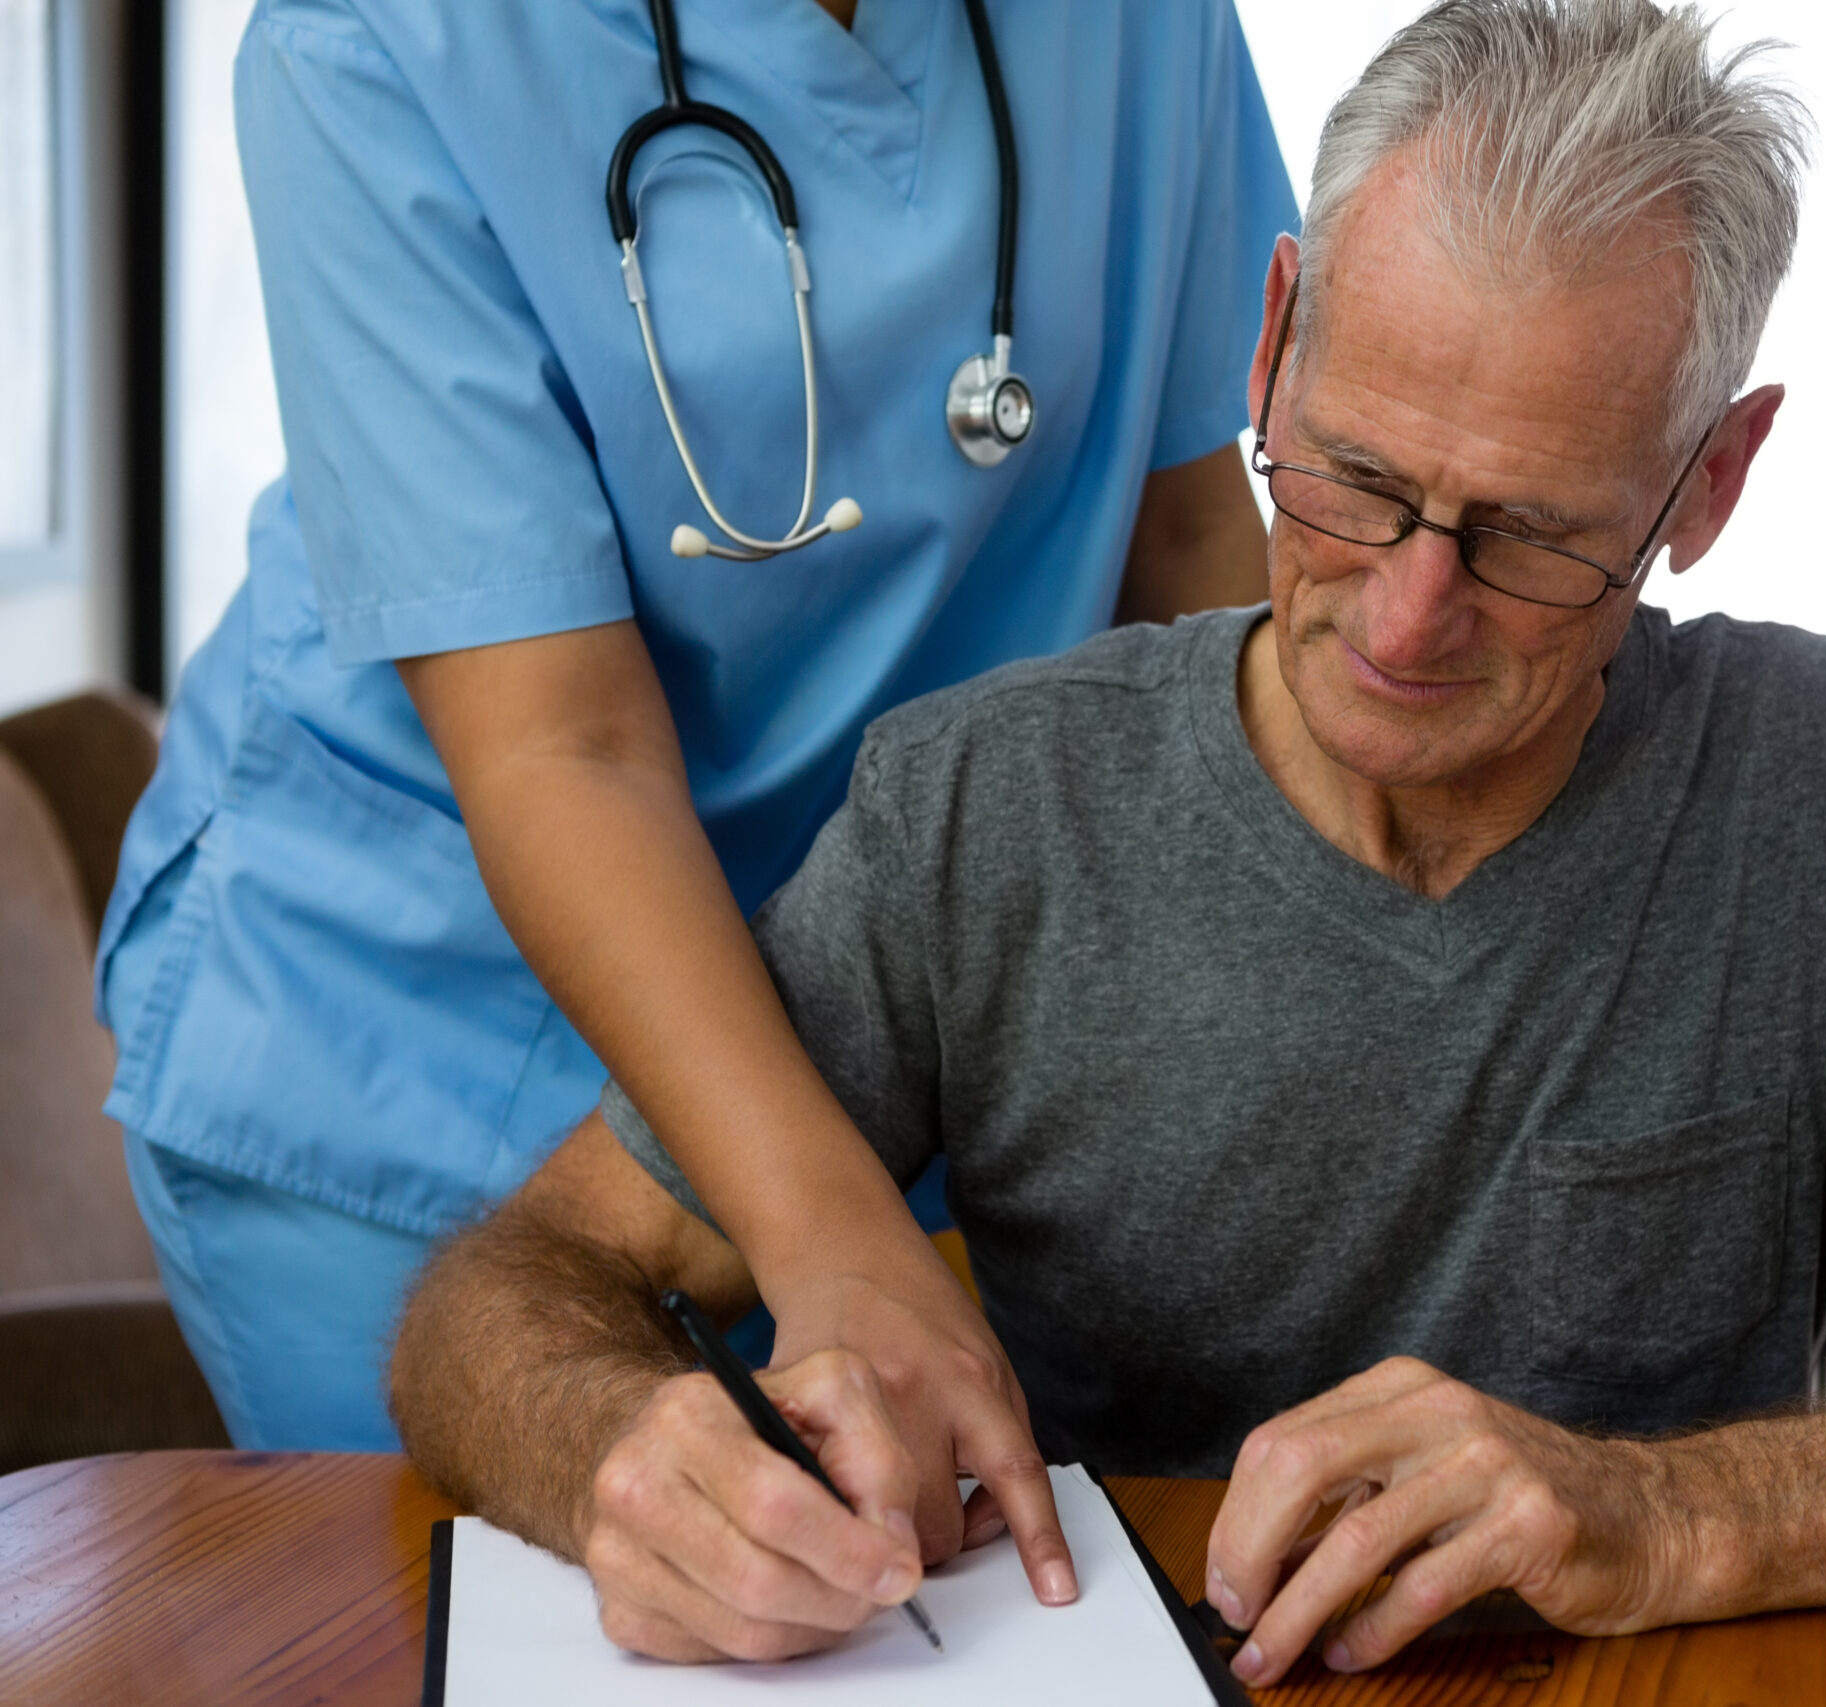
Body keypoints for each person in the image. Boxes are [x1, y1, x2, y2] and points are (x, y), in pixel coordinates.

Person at [390, 0, 1826, 1685]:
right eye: (1349, 479)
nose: (1402, 613)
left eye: (1529, 532)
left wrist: (1674, 1509)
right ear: (1267, 340)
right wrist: (606, 1450)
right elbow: (512, 1289)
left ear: (1709, 477)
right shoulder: (985, 806)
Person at [95, 0, 1297, 1450]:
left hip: (870, 1020)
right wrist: (838, 1245)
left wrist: (1273, 1042)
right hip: (415, 1048)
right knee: (504, 1639)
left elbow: (1184, 550)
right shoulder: (374, 38)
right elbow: (563, 747)